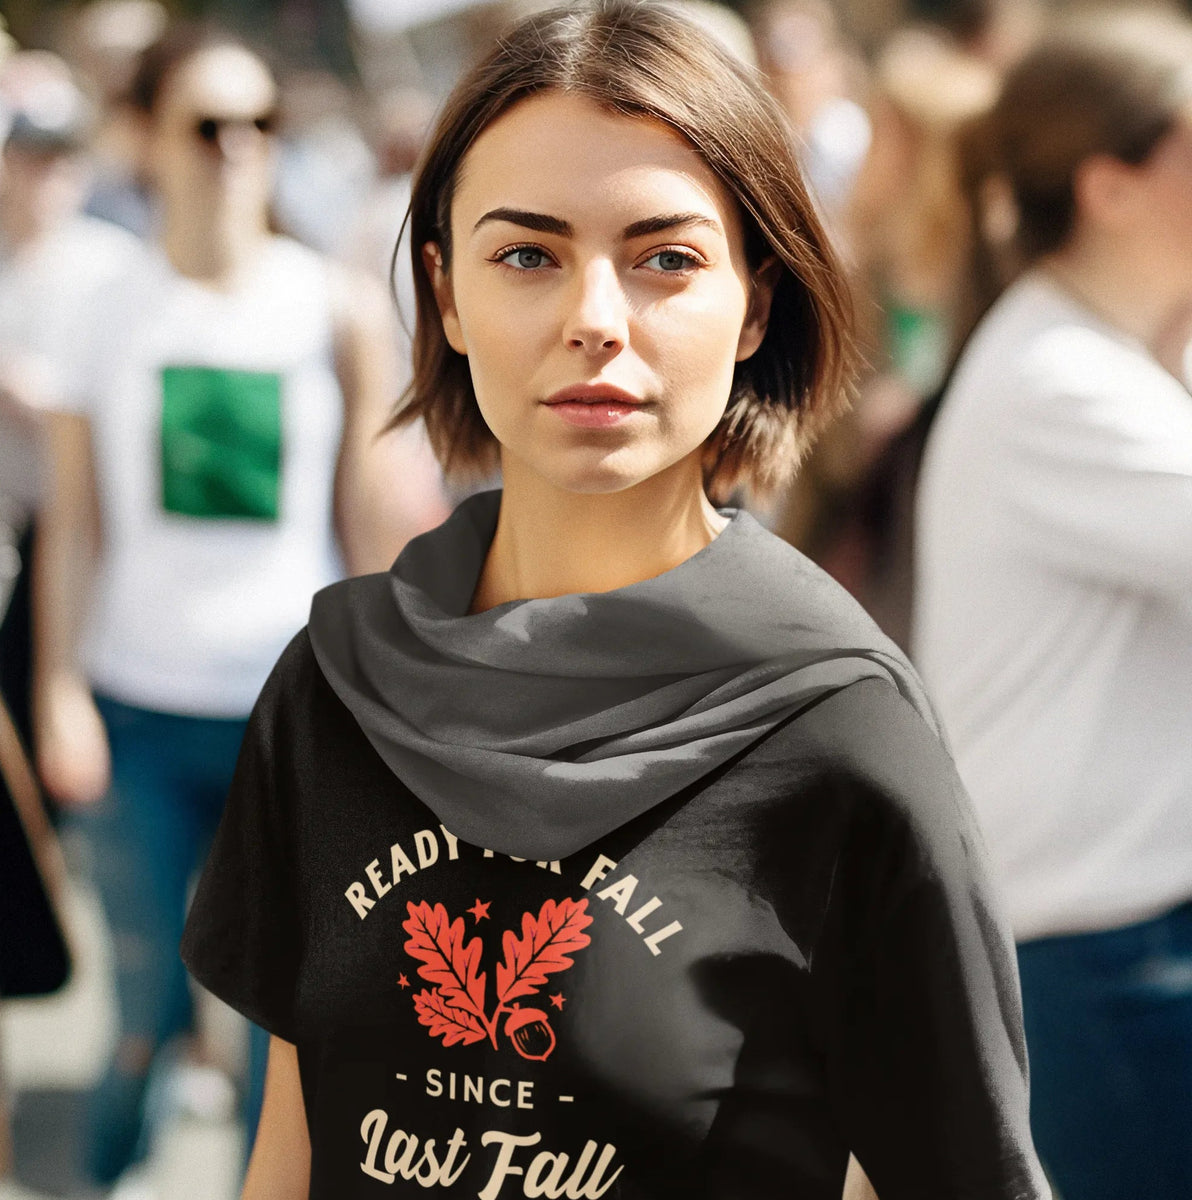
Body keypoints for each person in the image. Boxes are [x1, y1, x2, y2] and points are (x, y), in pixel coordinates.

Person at [181, 4, 1049, 1197]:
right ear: (444, 293)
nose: (595, 318)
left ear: (754, 303)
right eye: (527, 254)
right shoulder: (335, 687)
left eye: (666, 259)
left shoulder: (840, 733)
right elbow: (291, 1150)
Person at [31, 24, 448, 1191]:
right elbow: (75, 524)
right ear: (149, 140)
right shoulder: (103, 306)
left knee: (288, 1014)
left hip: (294, 712)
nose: (238, 150)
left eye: (260, 123)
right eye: (208, 125)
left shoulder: (329, 304)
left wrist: (391, 691)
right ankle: (99, 1173)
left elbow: (364, 516)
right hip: (141, 704)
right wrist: (59, 688)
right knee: (148, 1003)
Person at [913, 12, 1192, 1198]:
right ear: (1111, 186)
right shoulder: (1061, 382)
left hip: (1113, 948)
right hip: (1100, 961)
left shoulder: (1101, 357)